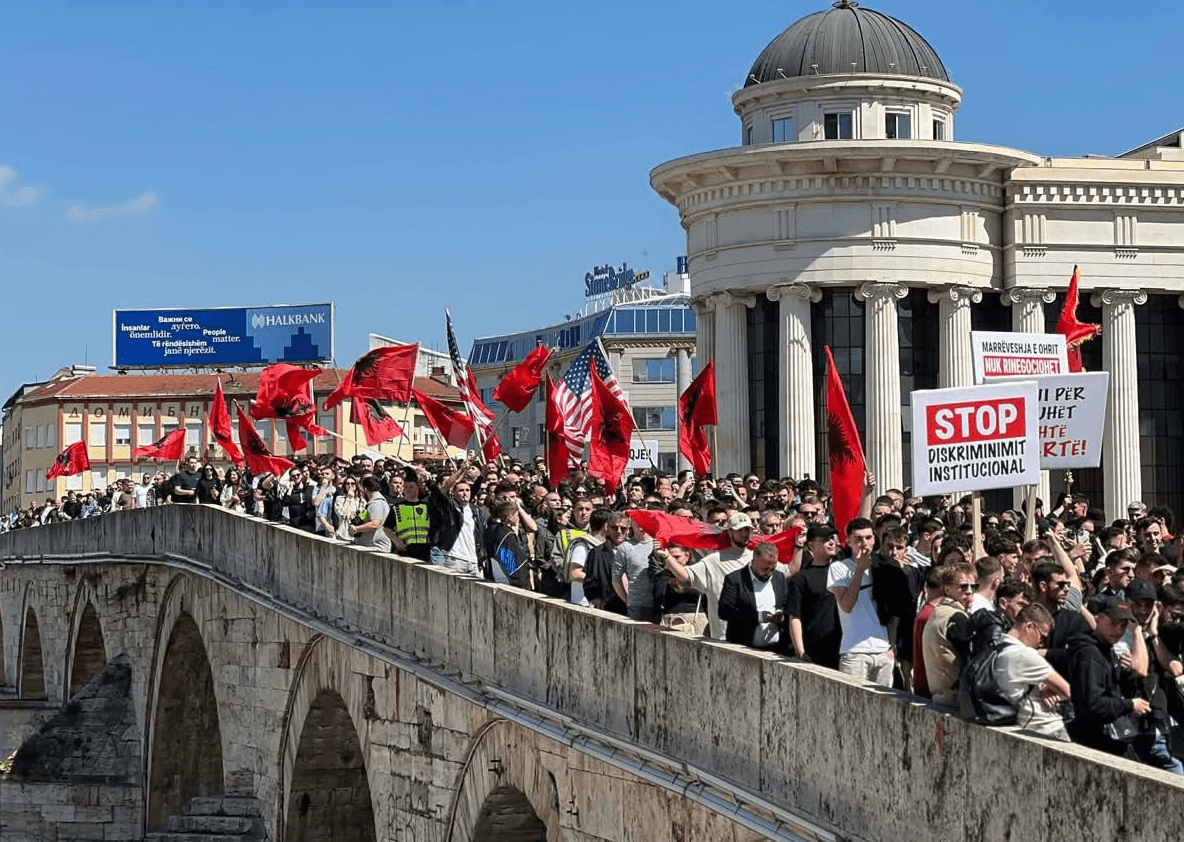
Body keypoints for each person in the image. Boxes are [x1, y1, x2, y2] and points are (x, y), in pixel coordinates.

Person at [1067, 596, 1156, 760]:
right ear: (1097, 619)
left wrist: (1125, 672)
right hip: (1093, 742)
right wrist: (1129, 705)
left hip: (1106, 739)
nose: (1119, 631)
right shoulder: (1090, 654)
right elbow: (1093, 704)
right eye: (1113, 624)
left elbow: (1116, 689)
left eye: (1123, 626)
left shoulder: (1107, 649)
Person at [662, 511, 754, 639]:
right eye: (740, 530)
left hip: (753, 638)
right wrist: (667, 557)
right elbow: (686, 576)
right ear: (729, 532)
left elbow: (786, 573)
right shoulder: (714, 561)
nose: (744, 534)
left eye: (747, 529)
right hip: (723, 637)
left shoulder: (758, 558)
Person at [828, 518, 893, 686]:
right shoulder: (839, 568)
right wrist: (859, 570)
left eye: (868, 537)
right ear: (848, 541)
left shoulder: (884, 567)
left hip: (883, 651)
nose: (864, 543)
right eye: (858, 539)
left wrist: (891, 648)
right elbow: (846, 605)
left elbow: (893, 610)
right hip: (855, 652)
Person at [995, 603, 1071, 741]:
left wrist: (1043, 686)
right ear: (1029, 627)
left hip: (1020, 727)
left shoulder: (997, 645)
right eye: (1042, 637)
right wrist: (1049, 688)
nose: (1041, 644)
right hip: (1046, 728)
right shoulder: (1024, 655)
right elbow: (1067, 691)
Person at [787, 523, 843, 668]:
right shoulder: (801, 578)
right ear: (811, 545)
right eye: (825, 540)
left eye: (832, 538)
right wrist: (801, 653)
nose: (831, 542)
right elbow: (794, 617)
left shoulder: (844, 572)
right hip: (815, 651)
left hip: (845, 649)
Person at [718, 542, 789, 653]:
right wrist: (758, 617)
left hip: (776, 649)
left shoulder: (779, 578)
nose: (769, 573)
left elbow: (785, 603)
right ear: (753, 562)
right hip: (744, 648)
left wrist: (781, 615)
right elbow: (724, 611)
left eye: (772, 569)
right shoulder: (735, 580)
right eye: (765, 569)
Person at [922, 563, 976, 706]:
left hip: (942, 696)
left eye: (973, 587)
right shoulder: (954, 617)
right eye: (963, 587)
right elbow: (974, 652)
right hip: (953, 698)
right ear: (947, 589)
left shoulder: (939, 612)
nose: (969, 591)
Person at [386, 467, 432, 561]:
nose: (408, 490)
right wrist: (396, 541)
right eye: (406, 487)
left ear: (417, 488)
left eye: (411, 487)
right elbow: (386, 528)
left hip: (424, 550)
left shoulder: (426, 506)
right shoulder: (397, 507)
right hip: (404, 551)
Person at [349, 476, 391, 552]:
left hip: (377, 547)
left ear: (365, 489)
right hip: (368, 545)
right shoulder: (370, 503)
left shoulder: (376, 503)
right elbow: (361, 518)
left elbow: (375, 524)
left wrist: (356, 529)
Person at [333, 474, 366, 541]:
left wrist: (357, 516)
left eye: (352, 483)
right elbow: (341, 513)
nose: (350, 486)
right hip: (343, 534)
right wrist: (348, 498)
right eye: (347, 484)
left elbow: (363, 516)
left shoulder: (361, 501)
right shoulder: (340, 499)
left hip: (356, 535)